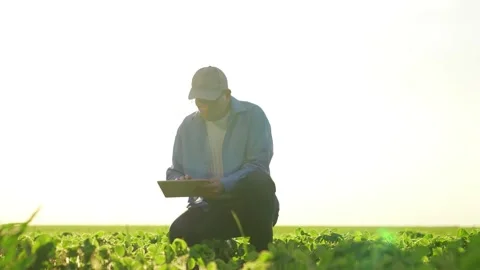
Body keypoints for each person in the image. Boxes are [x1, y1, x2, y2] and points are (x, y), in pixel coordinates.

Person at [165, 66, 280, 252]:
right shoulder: (187, 126)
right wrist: (180, 181)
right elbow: (175, 170)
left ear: (226, 95)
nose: (203, 105)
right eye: (199, 100)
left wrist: (224, 184)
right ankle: (222, 249)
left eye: (209, 99)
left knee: (260, 182)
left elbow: (258, 165)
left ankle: (260, 256)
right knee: (178, 232)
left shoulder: (253, 116)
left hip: (250, 205)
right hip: (210, 207)